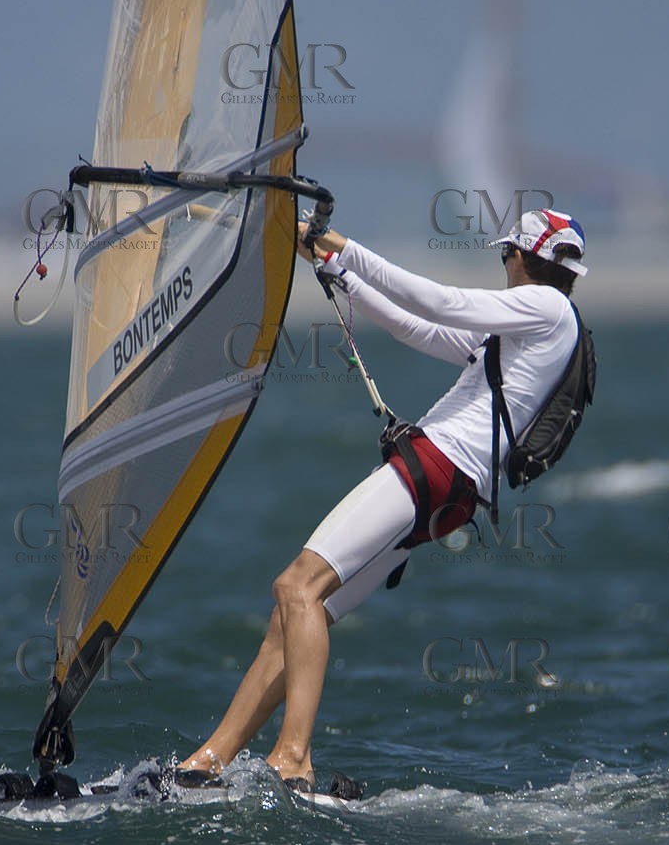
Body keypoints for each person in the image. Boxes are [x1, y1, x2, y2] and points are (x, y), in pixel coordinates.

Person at [175, 208, 589, 793]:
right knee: (296, 615)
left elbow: (440, 301)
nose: (504, 264)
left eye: (506, 254)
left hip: (437, 468)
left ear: (523, 257)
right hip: (452, 492)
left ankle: (293, 758)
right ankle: (208, 763)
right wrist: (336, 269)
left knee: (297, 588)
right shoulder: (532, 328)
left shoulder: (546, 307)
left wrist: (340, 243)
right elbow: (415, 327)